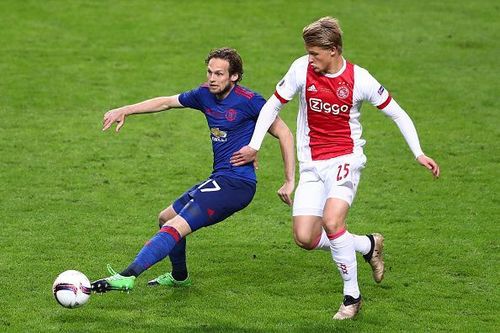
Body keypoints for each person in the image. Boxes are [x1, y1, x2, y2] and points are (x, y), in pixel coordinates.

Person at [231, 17, 440, 320]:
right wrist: (255, 145)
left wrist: (418, 152)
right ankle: (367, 245)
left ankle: (351, 298)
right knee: (305, 237)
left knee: (332, 222)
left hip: (346, 160)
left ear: (333, 50)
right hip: (312, 166)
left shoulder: (360, 79)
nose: (310, 59)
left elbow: (398, 113)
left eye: (315, 53)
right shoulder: (301, 68)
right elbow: (273, 105)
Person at [91, 47, 295, 293]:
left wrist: (288, 180)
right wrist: (125, 109)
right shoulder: (204, 94)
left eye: (219, 74)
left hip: (237, 185)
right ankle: (180, 277)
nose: (212, 79)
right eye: (209, 72)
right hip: (219, 178)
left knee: (175, 226)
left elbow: (284, 133)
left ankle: (128, 275)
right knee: (165, 217)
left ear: (235, 76)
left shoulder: (251, 102)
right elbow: (166, 102)